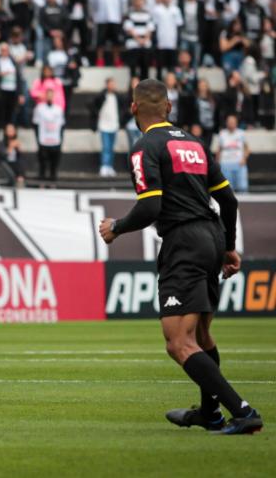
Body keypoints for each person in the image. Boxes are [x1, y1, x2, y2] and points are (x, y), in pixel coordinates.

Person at [98, 79, 263, 435]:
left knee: (178, 341)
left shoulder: (145, 147)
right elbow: (229, 200)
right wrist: (228, 247)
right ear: (169, 108)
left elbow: (151, 206)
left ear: (133, 108)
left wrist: (116, 227)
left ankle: (243, 411)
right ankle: (209, 413)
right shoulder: (196, 144)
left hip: (183, 243)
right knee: (201, 334)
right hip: (212, 236)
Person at [33, 88, 65, 181]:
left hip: (55, 140)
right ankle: (42, 181)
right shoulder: (39, 108)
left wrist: (60, 140)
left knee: (54, 164)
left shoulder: (58, 109)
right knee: (43, 163)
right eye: (48, 94)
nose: (49, 96)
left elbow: (62, 125)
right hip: (43, 140)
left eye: (51, 94)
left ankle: (53, 181)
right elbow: (35, 124)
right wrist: (38, 139)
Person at [215, 115, 250, 193]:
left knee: (242, 188)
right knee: (227, 189)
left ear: (236, 123)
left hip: (239, 163)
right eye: (229, 122)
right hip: (225, 164)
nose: (231, 124)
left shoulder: (241, 133)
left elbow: (247, 149)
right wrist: (217, 163)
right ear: (226, 123)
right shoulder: (222, 134)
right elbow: (219, 150)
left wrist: (244, 159)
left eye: (233, 122)